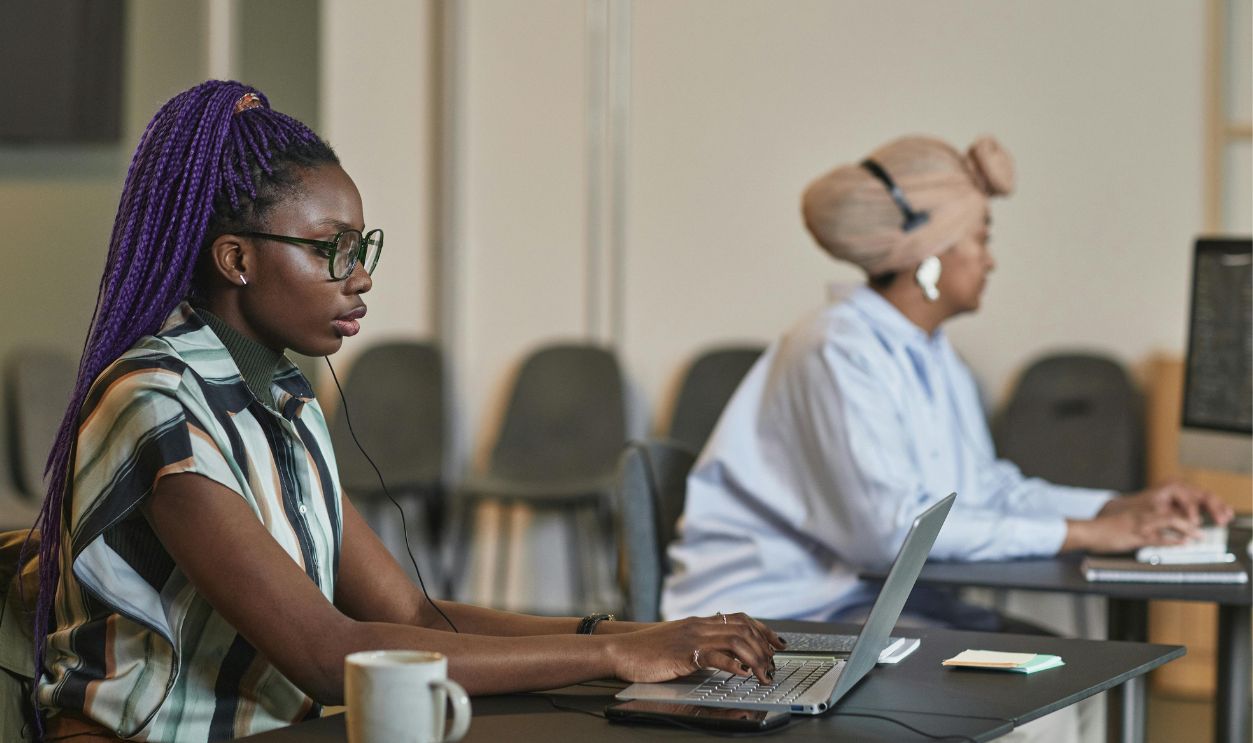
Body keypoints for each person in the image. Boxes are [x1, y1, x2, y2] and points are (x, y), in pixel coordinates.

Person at [26, 80, 783, 743]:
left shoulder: (281, 395)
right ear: (237, 259)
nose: (359, 278)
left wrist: (640, 634)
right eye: (332, 249)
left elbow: (411, 616)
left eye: (363, 248)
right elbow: (327, 655)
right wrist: (613, 656)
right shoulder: (156, 401)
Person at [661, 134, 1233, 627]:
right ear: (930, 257)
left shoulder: (931, 354)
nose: (991, 261)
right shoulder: (836, 350)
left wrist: (1115, 508)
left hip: (861, 599)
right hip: (773, 615)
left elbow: (986, 490)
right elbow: (893, 535)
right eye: (982, 238)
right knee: (1036, 685)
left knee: (1056, 665)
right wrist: (1080, 535)